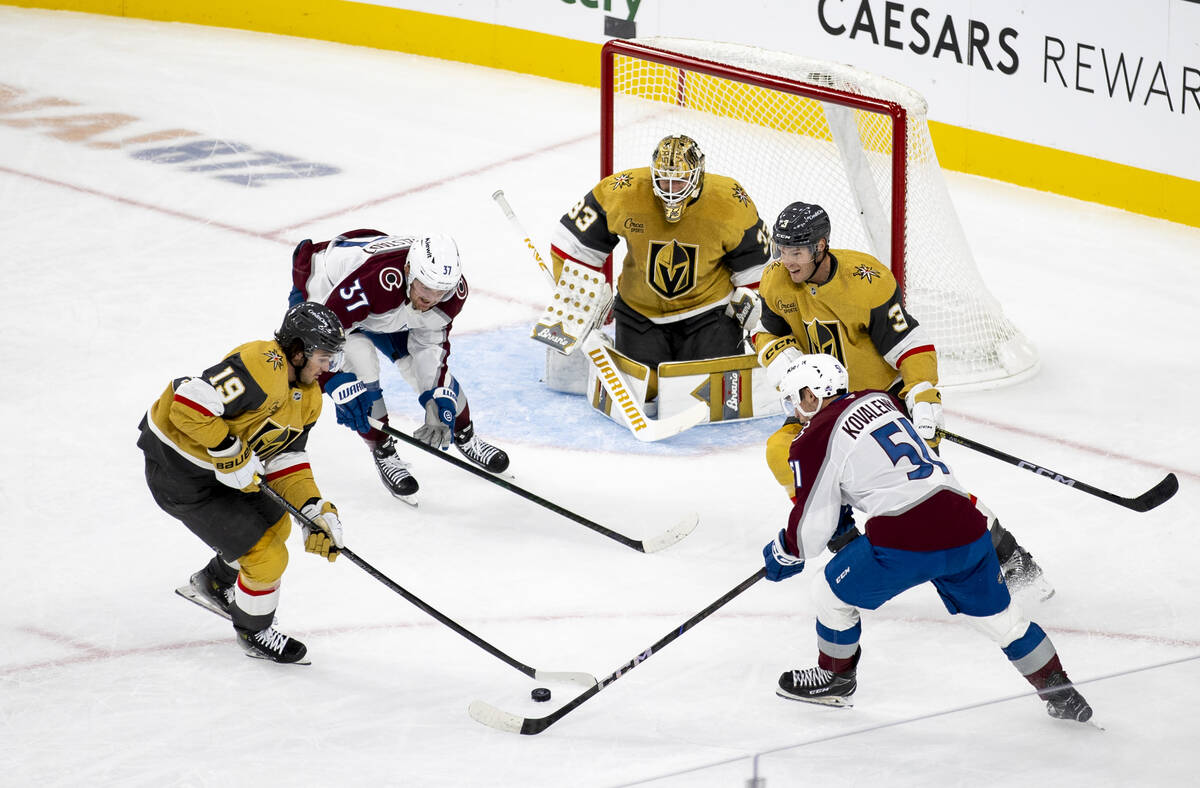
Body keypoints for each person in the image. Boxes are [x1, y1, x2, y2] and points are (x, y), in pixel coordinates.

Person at [761, 354, 1093, 722]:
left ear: (811, 394)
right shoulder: (879, 399)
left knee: (828, 592)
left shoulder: (813, 438)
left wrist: (785, 550)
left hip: (906, 537)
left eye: (796, 399)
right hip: (967, 525)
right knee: (1006, 622)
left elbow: (812, 529)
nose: (795, 410)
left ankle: (836, 680)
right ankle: (1061, 692)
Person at [754, 201, 1049, 597]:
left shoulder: (866, 280)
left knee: (930, 492)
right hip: (821, 405)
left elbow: (908, 343)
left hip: (877, 405)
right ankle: (847, 543)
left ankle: (1010, 556)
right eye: (781, 250)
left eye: (797, 252)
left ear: (821, 245)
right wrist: (781, 356)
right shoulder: (776, 280)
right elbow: (765, 331)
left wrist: (923, 393)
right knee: (780, 450)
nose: (786, 261)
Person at [138, 302, 348, 664]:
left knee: (279, 524)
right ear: (297, 351)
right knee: (267, 557)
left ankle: (216, 583)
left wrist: (313, 509)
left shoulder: (309, 397)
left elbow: (287, 459)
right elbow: (188, 404)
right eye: (323, 357)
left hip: (219, 474)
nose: (328, 367)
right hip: (179, 472)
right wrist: (228, 449)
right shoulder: (263, 363)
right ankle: (254, 631)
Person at [288, 230, 509, 506]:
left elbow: (431, 348)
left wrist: (435, 399)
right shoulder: (374, 282)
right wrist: (335, 381)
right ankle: (381, 447)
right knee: (359, 370)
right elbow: (325, 336)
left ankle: (464, 433)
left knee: (425, 373)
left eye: (441, 291)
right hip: (326, 294)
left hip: (384, 306)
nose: (432, 298)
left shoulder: (449, 294)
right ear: (407, 270)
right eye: (426, 287)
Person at [550, 134, 770, 383]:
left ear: (698, 175)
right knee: (645, 390)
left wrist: (757, 312)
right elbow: (571, 242)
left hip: (709, 314)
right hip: (640, 314)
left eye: (680, 181)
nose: (671, 189)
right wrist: (581, 296)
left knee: (706, 392)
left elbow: (757, 264)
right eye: (663, 180)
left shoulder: (729, 200)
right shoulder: (624, 191)